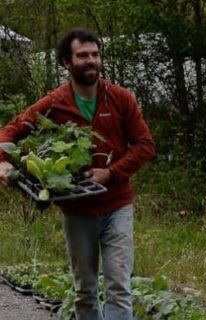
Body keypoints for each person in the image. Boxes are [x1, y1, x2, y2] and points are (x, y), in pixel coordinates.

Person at [0, 28, 155, 320]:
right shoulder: (56, 103)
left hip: (117, 205)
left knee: (119, 287)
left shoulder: (120, 99)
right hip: (77, 209)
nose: (90, 61)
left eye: (95, 55)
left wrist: (111, 172)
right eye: (82, 56)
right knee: (84, 290)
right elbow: (12, 130)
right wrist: (3, 161)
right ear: (65, 63)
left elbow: (145, 145)